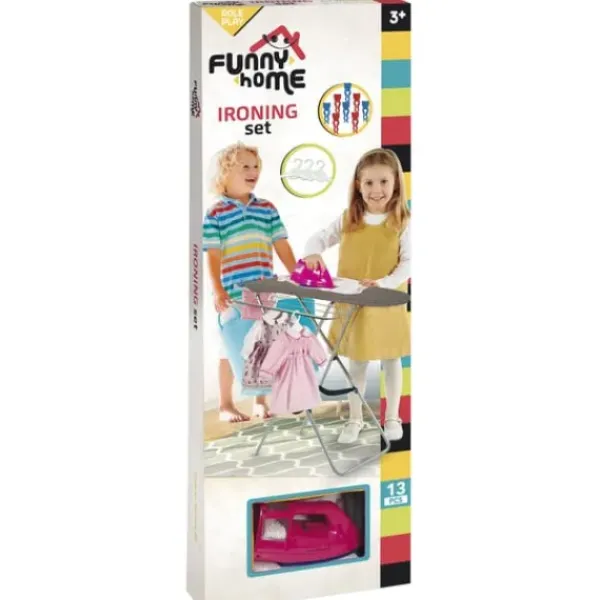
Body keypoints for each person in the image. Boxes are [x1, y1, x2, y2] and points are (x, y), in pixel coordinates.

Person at [303, 148, 411, 443]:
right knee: (358, 361)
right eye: (369, 183)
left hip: (387, 300)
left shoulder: (402, 221)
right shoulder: (350, 218)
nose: (377, 190)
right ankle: (355, 418)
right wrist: (312, 252)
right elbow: (320, 237)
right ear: (358, 186)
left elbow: (408, 262)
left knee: (391, 359)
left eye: (383, 182)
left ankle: (392, 416)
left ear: (395, 183)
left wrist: (384, 282)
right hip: (353, 303)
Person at [202, 142, 298, 423]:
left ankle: (260, 401)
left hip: (265, 291)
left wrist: (299, 276)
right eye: (245, 166)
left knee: (263, 344)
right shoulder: (216, 213)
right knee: (229, 347)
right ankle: (226, 404)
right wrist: (218, 291)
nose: (253, 171)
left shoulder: (267, 209)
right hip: (233, 294)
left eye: (255, 166)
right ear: (225, 173)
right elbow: (213, 254)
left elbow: (281, 245)